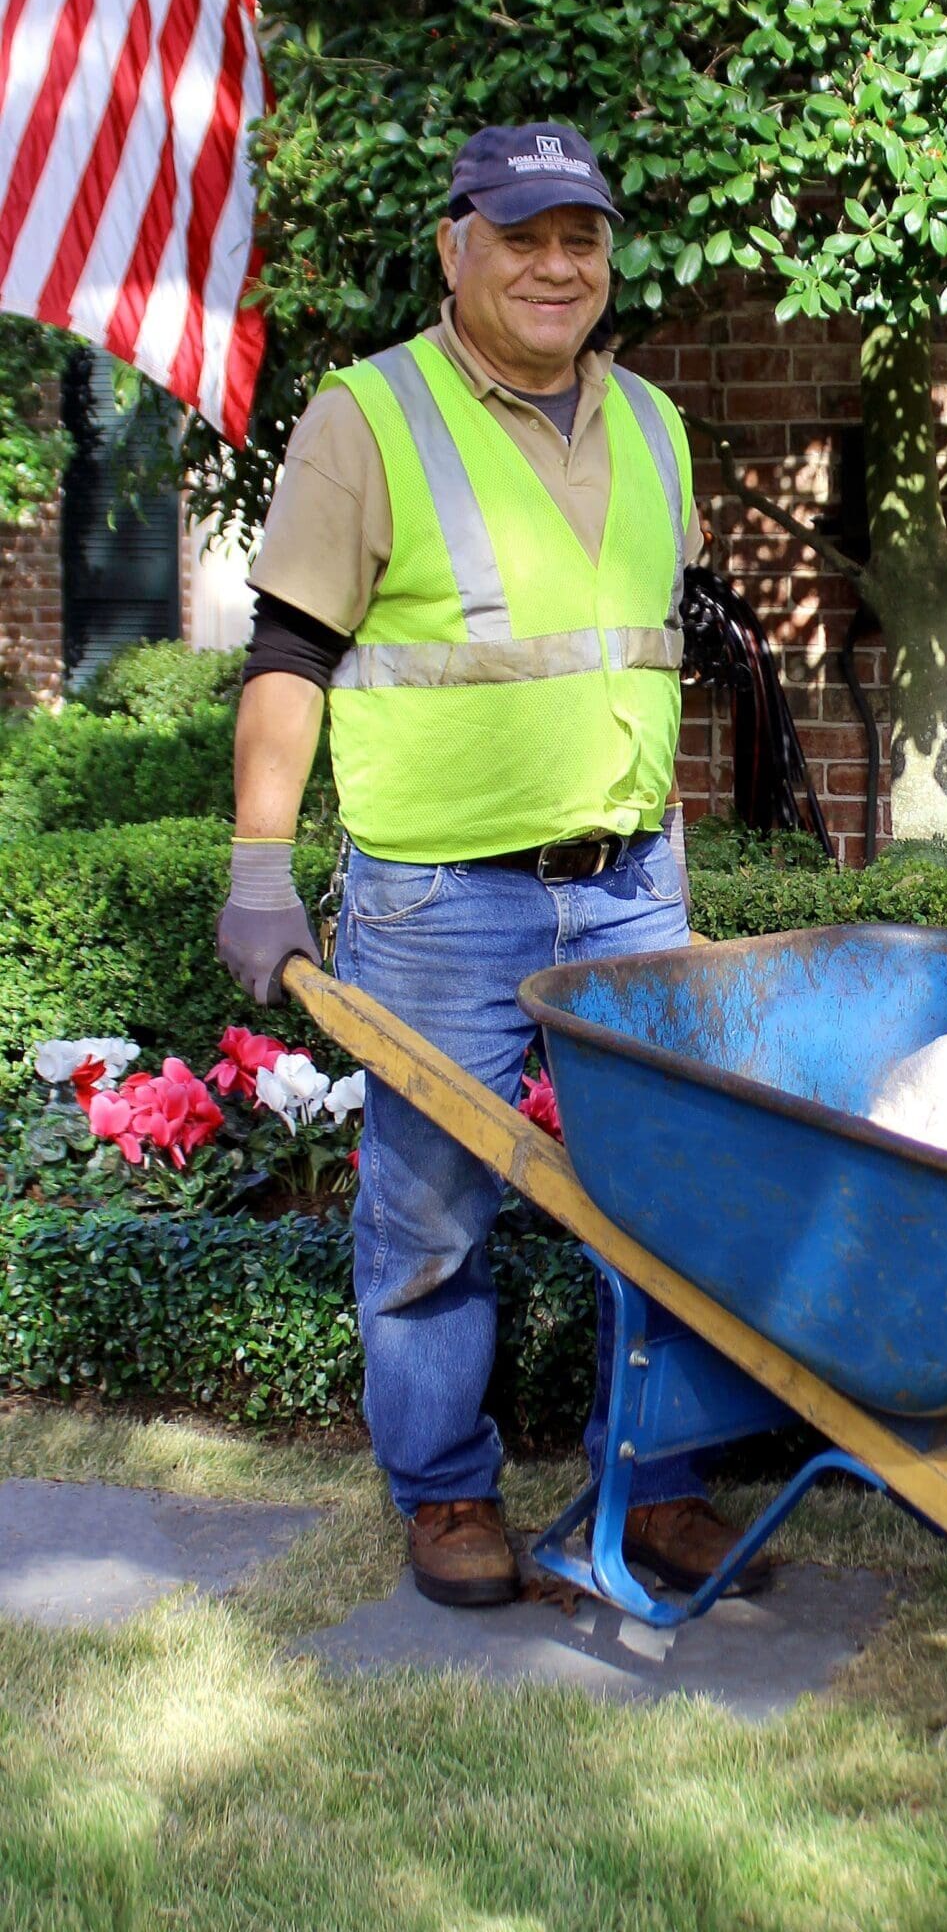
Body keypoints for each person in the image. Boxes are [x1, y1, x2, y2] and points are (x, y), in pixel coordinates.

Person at [217, 121, 753, 1609]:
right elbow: (289, 651)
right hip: (442, 897)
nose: (554, 263)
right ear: (456, 246)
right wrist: (262, 863)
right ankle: (445, 1489)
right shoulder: (364, 416)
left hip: (630, 879)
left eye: (580, 235)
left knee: (665, 1194)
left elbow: (640, 633)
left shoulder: (653, 422)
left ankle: (655, 1482)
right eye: (520, 234)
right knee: (433, 1204)